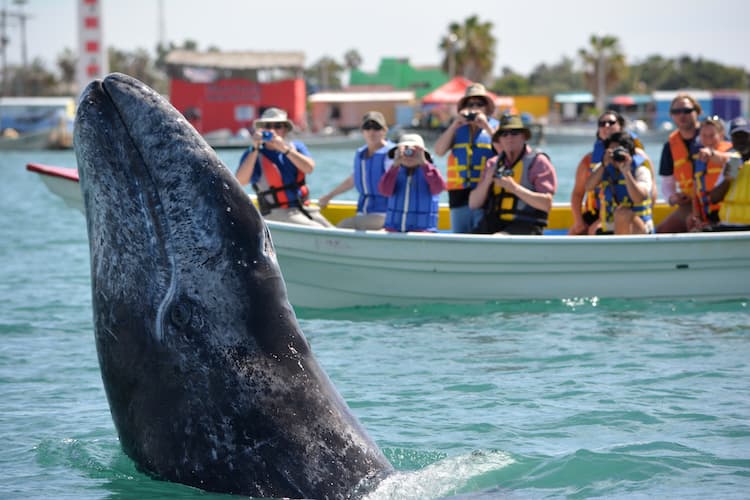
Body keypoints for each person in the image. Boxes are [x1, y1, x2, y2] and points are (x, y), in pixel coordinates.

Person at [235, 107, 332, 227]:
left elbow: (309, 168)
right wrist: (254, 148)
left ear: (285, 130)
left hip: (303, 208)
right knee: (318, 229)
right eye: (267, 126)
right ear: (261, 129)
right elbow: (240, 181)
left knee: (330, 228)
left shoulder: (296, 147)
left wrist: (284, 149)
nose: (272, 130)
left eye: (277, 126)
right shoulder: (253, 154)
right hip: (276, 213)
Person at [569, 110, 657, 235]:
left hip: (632, 216)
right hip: (602, 212)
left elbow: (650, 193)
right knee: (576, 232)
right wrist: (579, 222)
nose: (606, 126)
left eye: (611, 123)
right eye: (602, 123)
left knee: (621, 214)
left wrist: (626, 172)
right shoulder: (594, 162)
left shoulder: (639, 161)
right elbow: (581, 191)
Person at [469, 114, 557, 235]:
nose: (509, 137)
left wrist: (514, 188)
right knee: (469, 241)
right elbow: (473, 204)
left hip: (526, 225)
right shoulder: (492, 164)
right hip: (494, 224)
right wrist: (487, 181)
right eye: (504, 134)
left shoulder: (538, 162)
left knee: (497, 238)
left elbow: (546, 204)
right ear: (499, 140)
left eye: (514, 133)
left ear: (524, 137)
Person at [433, 82, 499, 233]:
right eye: (470, 104)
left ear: (486, 108)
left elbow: (504, 151)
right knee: (459, 239)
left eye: (479, 104)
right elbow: (439, 151)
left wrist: (486, 127)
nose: (475, 108)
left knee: (483, 237)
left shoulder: (495, 128)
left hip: (486, 194)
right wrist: (455, 125)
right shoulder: (457, 129)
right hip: (459, 196)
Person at [318, 111, 393, 230]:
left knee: (344, 225)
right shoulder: (362, 153)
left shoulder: (391, 155)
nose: (371, 132)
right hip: (365, 211)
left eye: (376, 128)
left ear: (384, 130)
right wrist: (329, 196)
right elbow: (353, 179)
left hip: (385, 213)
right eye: (367, 127)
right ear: (362, 131)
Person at [584, 132, 654, 234]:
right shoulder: (604, 167)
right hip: (612, 226)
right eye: (614, 152)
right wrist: (603, 165)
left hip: (638, 227)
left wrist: (627, 173)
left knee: (622, 213)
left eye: (620, 152)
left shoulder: (641, 170)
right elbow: (588, 187)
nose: (617, 156)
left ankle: (621, 248)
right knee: (594, 229)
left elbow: (639, 198)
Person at [378, 133, 446, 232]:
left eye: (414, 151)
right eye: (405, 151)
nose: (409, 155)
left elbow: (439, 188)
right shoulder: (394, 172)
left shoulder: (430, 171)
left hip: (422, 232)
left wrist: (424, 163)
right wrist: (395, 165)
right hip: (394, 230)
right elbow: (384, 191)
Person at [656, 93, 703, 233]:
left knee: (694, 225)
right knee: (661, 231)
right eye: (676, 112)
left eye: (687, 111)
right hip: (688, 202)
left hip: (713, 201)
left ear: (697, 112)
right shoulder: (670, 146)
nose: (682, 115)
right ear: (671, 116)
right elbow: (666, 184)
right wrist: (673, 198)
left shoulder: (711, 135)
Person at [685, 116, 734, 230]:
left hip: (727, 215)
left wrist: (711, 154)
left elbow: (732, 160)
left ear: (721, 135)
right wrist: (696, 216)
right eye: (704, 136)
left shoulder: (732, 153)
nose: (708, 140)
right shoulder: (698, 159)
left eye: (712, 136)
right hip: (708, 216)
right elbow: (696, 192)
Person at [707, 117, 750, 231]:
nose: (741, 140)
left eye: (744, 136)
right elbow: (714, 198)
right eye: (736, 136)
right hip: (728, 225)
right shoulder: (733, 161)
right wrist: (727, 180)